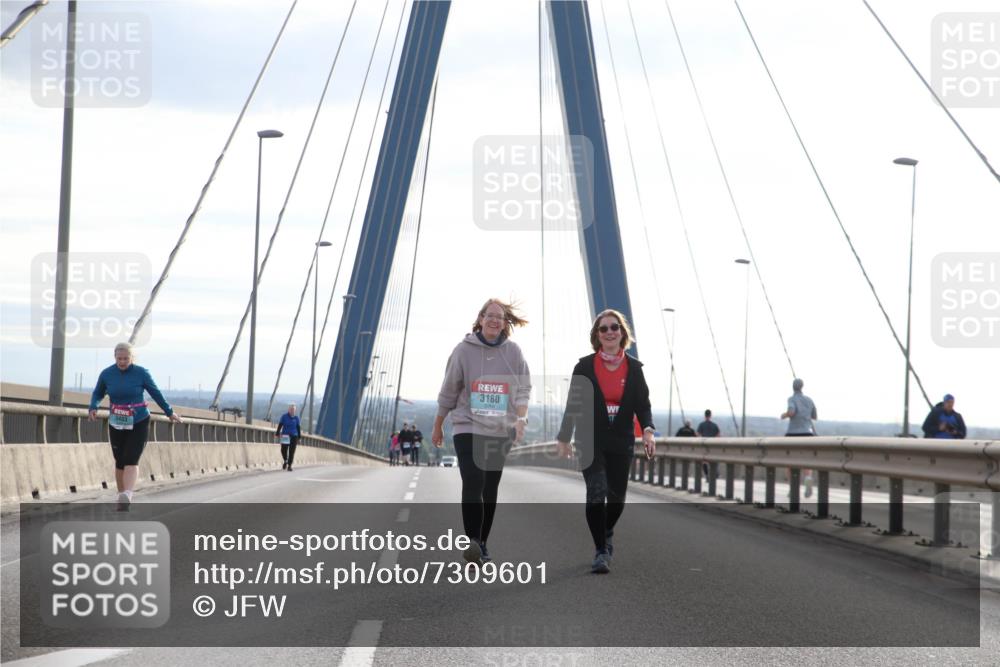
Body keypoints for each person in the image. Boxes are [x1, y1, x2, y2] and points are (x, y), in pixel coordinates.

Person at [432, 298, 531, 566]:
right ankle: (473, 542)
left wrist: (521, 418)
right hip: (468, 426)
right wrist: (438, 424)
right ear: (480, 318)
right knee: (473, 480)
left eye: (500, 317)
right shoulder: (463, 351)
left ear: (505, 323)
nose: (495, 320)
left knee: (490, 487)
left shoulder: (514, 352)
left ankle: (483, 543)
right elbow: (449, 390)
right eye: (490, 315)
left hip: (500, 429)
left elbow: (523, 389)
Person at [557, 309, 655, 574]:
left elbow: (643, 405)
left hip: (621, 440)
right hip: (590, 439)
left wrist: (648, 430)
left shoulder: (634, 369)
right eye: (604, 328)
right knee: (596, 491)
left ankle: (606, 530)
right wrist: (564, 437)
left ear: (622, 333)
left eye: (614, 327)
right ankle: (601, 550)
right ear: (597, 335)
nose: (610, 332)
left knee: (617, 500)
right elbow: (573, 404)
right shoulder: (584, 367)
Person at [88, 342, 182, 509]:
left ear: (132, 357)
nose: (122, 362)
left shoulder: (141, 373)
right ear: (115, 357)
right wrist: (93, 406)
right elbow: (98, 393)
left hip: (139, 420)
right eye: (119, 359)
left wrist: (169, 412)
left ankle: (128, 493)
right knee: (120, 461)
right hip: (117, 421)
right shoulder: (107, 374)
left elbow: (156, 393)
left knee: (131, 458)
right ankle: (121, 496)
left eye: (126, 358)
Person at [781, 378, 818, 497]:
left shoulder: (791, 399)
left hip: (793, 434)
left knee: (789, 461)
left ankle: (792, 488)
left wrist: (784, 415)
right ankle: (807, 478)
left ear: (793, 387)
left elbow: (791, 412)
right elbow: (814, 416)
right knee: (806, 460)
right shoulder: (809, 400)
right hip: (807, 433)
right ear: (802, 387)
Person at [276, 404, 301, 471]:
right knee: (283, 450)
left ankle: (289, 465)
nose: (292, 411)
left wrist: (299, 437)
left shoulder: (296, 418)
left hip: (294, 436)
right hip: (285, 435)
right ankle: (285, 460)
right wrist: (277, 432)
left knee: (291, 451)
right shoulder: (284, 416)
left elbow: (298, 428)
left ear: (295, 410)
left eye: (294, 409)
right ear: (288, 410)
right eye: (291, 409)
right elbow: (280, 424)